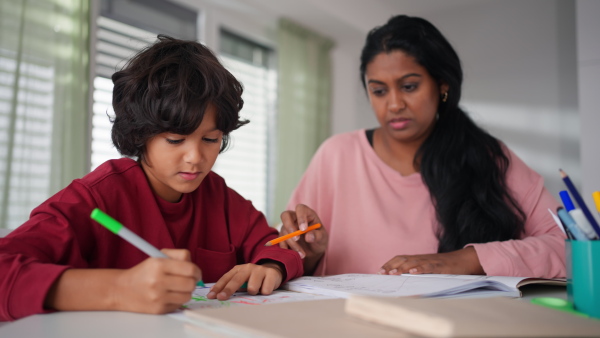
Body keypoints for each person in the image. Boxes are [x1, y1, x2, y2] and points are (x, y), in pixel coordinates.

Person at [0, 35, 302, 321]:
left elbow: (271, 242)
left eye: (210, 139)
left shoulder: (218, 196)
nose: (195, 157)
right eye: (174, 140)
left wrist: (270, 265)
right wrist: (118, 290)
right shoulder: (97, 197)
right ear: (140, 134)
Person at [279, 15, 565, 279]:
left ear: (442, 86)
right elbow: (290, 259)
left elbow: (572, 247)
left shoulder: (488, 157)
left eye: (409, 86)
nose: (394, 105)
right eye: (379, 91)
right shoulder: (336, 155)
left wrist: (465, 260)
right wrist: (309, 254)